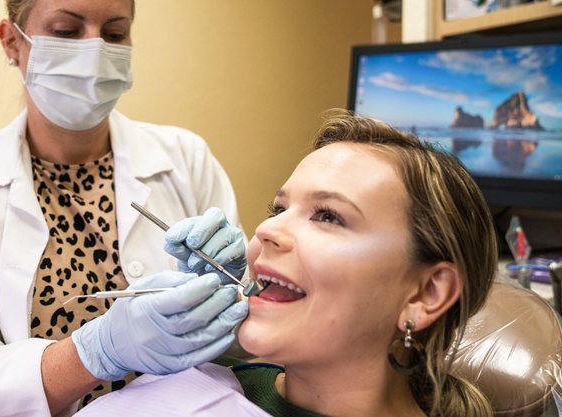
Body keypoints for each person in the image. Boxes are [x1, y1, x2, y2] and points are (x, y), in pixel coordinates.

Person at [0, 1, 249, 416]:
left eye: (115, 33)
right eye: (67, 32)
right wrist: (97, 351)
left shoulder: (186, 158)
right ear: (12, 41)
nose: (96, 51)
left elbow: (244, 341)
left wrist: (232, 293)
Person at [77, 110, 498, 417]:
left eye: (328, 216)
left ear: (427, 293)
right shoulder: (201, 386)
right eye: (278, 208)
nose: (264, 231)